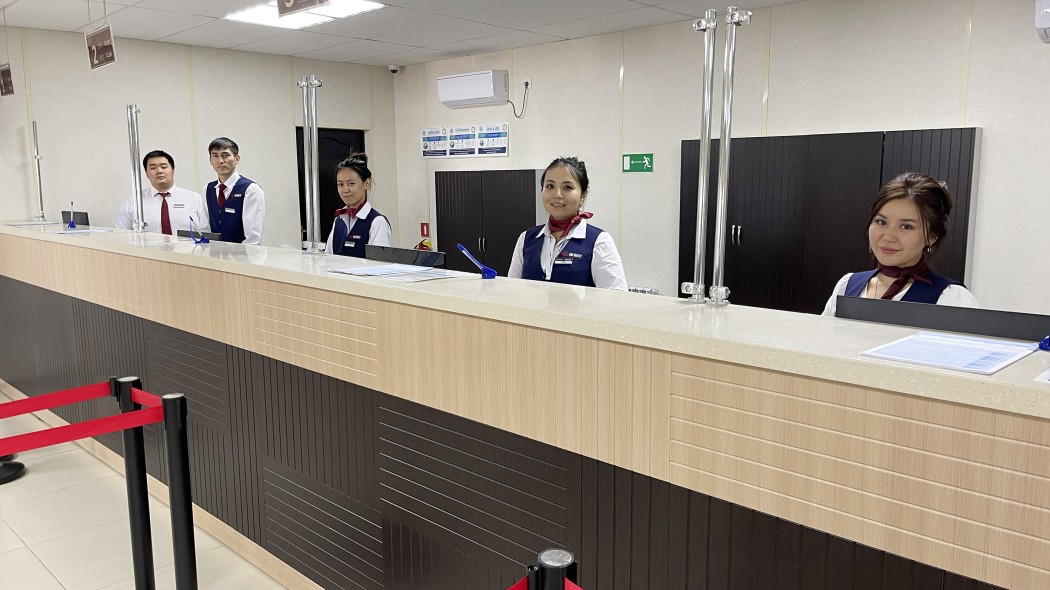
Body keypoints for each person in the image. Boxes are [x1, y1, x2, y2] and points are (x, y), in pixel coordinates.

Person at [822, 172, 979, 316]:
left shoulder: (951, 299)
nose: (888, 237)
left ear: (932, 236)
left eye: (906, 226)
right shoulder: (847, 286)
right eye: (881, 222)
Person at [508, 157, 628, 290]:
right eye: (550, 186)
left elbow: (617, 297)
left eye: (567, 187)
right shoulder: (526, 239)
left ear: (583, 194)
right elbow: (513, 291)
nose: (557, 194)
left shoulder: (599, 242)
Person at [116, 150, 208, 235]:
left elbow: (207, 232)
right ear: (146, 173)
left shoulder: (194, 199)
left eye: (164, 167)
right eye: (153, 168)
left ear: (173, 170)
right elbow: (122, 235)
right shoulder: (134, 202)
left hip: (189, 248)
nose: (159, 171)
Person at [325, 153, 391, 257]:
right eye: (340, 184)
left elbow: (378, 264)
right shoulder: (339, 220)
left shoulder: (377, 222)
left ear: (367, 184)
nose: (345, 190)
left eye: (351, 183)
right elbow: (328, 257)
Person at [204, 137, 265, 244]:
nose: (220, 161)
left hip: (243, 253)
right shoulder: (208, 189)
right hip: (214, 252)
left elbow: (253, 238)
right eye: (215, 156)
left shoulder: (250, 190)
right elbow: (205, 229)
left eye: (225, 155)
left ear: (237, 159)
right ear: (210, 160)